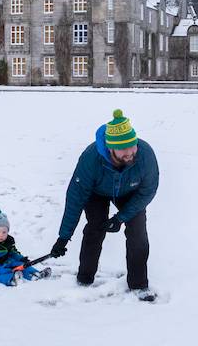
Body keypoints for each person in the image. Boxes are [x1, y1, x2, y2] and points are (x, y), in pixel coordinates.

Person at [50, 109, 159, 301]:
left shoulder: (145, 154)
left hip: (130, 191)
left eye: (132, 145)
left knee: (138, 231)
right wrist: (64, 237)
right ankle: (85, 278)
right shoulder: (91, 159)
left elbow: (148, 190)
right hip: (97, 192)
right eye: (124, 149)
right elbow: (75, 198)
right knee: (95, 227)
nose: (130, 152)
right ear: (111, 148)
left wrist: (121, 218)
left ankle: (139, 284)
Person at [0, 208, 50, 286]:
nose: (1, 235)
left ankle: (36, 274)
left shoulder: (8, 241)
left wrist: (21, 258)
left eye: (4, 232)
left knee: (21, 264)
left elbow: (13, 252)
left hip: (8, 261)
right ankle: (11, 279)